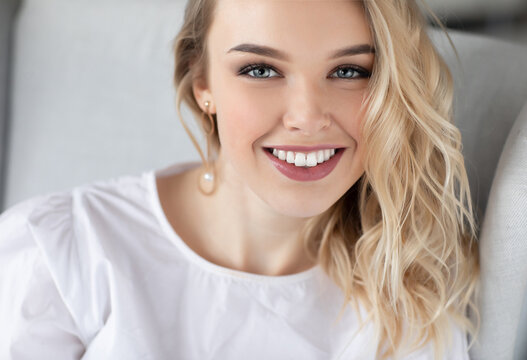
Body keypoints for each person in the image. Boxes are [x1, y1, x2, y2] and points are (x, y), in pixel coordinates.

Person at [0, 0, 479, 359]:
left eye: (349, 71)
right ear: (202, 83)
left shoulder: (413, 297)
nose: (307, 118)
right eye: (260, 69)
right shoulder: (58, 257)